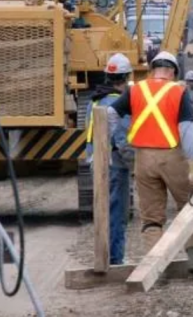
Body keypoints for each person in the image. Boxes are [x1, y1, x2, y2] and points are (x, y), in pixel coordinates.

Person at [107, 51, 193, 276]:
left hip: (143, 159)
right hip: (172, 157)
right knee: (192, 205)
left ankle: (156, 268)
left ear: (152, 69)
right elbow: (187, 132)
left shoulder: (135, 89)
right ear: (174, 71)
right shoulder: (178, 91)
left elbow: (110, 113)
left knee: (151, 216)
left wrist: (115, 141)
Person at [85, 54, 134, 265]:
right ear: (126, 77)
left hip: (96, 161)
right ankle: (115, 258)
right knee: (117, 213)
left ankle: (104, 256)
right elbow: (122, 139)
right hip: (115, 164)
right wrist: (134, 163)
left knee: (102, 210)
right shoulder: (117, 102)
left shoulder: (95, 99)